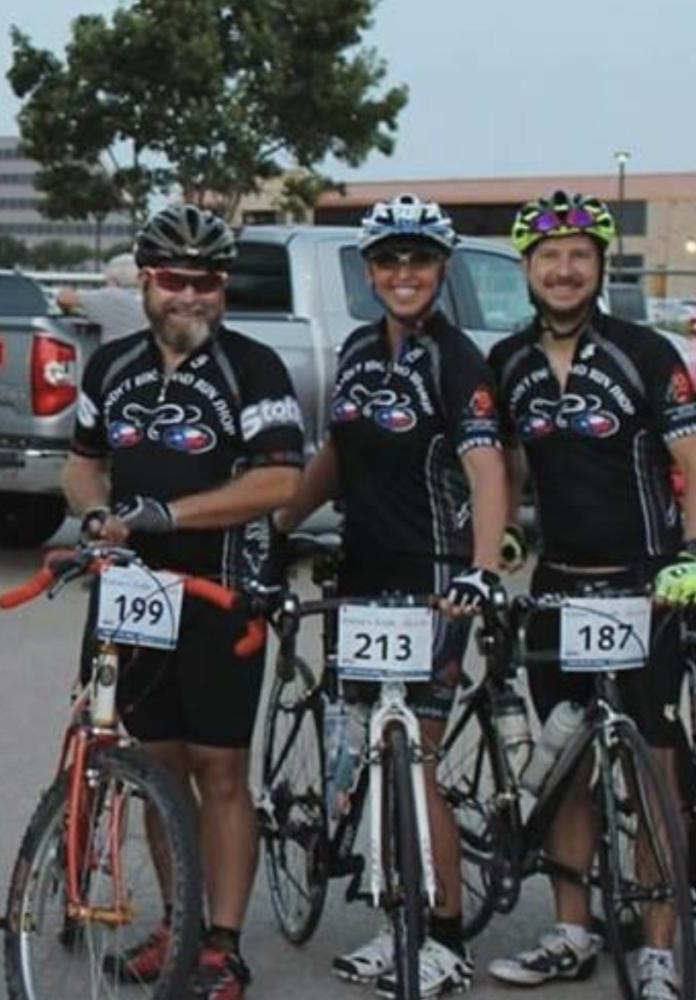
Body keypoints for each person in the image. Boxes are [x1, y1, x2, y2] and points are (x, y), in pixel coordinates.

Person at [64, 204, 305, 1000]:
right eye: (174, 280)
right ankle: (181, 922)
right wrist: (95, 515)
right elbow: (83, 462)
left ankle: (224, 945)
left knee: (221, 771)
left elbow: (280, 481)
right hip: (137, 598)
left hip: (224, 592)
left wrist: (168, 516)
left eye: (206, 281)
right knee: (157, 768)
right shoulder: (112, 367)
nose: (191, 296)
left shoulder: (254, 368)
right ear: (146, 281)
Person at [277, 194, 506, 998]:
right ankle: (391, 920)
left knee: (420, 759)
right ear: (370, 272)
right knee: (374, 749)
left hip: (436, 577)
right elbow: (337, 452)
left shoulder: (457, 361)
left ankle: (442, 936)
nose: (403, 275)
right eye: (388, 262)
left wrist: (481, 569)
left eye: (418, 261)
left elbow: (487, 472)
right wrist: (278, 524)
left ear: (441, 270)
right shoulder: (357, 350)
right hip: (362, 574)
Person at [487, 191, 696, 1000]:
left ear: (600, 266)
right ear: (529, 271)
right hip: (559, 589)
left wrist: (691, 555)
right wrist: (506, 532)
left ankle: (656, 948)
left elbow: (691, 456)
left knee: (656, 769)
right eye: (548, 258)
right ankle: (572, 930)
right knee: (567, 766)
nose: (564, 270)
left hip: (647, 585)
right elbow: (501, 460)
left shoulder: (646, 352)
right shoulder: (509, 360)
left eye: (579, 255)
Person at [56, 251, 147, 345]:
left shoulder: (110, 297)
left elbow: (64, 298)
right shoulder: (149, 297)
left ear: (112, 278)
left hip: (117, 355)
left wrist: (68, 306)